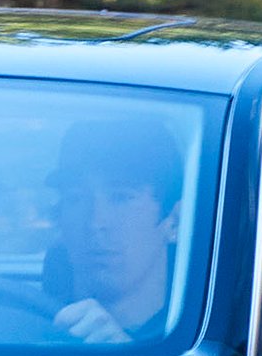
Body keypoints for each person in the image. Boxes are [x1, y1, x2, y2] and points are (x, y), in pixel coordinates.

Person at [48, 118, 180, 344]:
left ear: (174, 222)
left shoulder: (198, 343)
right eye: (76, 198)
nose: (95, 222)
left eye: (121, 197)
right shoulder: (27, 328)